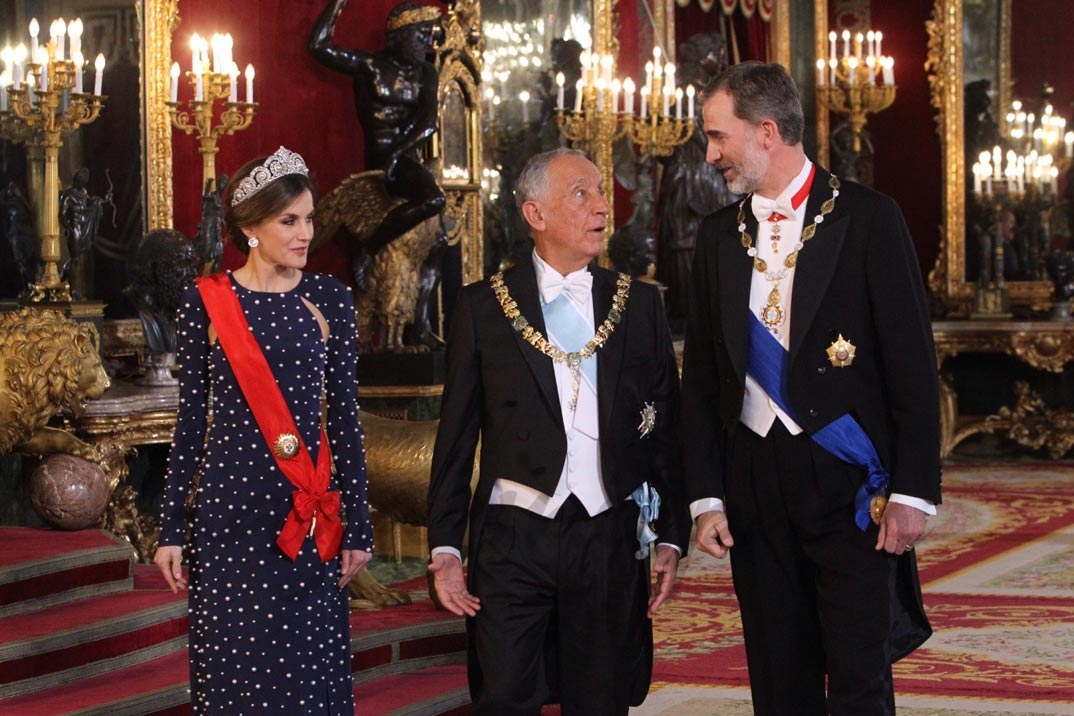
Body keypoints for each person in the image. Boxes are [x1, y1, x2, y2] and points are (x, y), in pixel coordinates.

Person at [681, 62, 942, 716]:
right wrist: (706, 497)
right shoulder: (716, 238)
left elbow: (911, 366)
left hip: (848, 479)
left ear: (766, 131)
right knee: (778, 678)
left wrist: (913, 492)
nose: (710, 155)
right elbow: (704, 383)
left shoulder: (869, 218)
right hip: (752, 483)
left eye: (718, 137)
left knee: (858, 677)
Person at [427, 147, 689, 716]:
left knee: (600, 699)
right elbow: (455, 439)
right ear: (535, 215)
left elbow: (665, 428)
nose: (602, 207)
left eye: (601, 192)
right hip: (513, 536)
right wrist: (446, 546)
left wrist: (671, 532)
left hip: (607, 534)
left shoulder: (639, 304)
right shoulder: (482, 308)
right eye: (582, 194)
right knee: (505, 697)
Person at [153, 146, 373, 715]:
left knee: (306, 679)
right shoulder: (204, 303)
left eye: (309, 219)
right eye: (289, 221)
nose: (306, 234)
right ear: (250, 227)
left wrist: (360, 527)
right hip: (229, 519)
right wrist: (170, 527)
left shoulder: (329, 299)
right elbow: (190, 424)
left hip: (304, 515)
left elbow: (346, 420)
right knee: (234, 679)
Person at [308, 0, 447, 289]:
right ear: (400, 35)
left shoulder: (426, 73)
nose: (426, 42)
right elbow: (319, 46)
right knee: (433, 200)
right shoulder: (371, 66)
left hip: (405, 157)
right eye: (419, 34)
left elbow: (428, 123)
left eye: (427, 34)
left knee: (438, 223)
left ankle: (421, 324)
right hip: (379, 155)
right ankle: (367, 250)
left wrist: (399, 154)